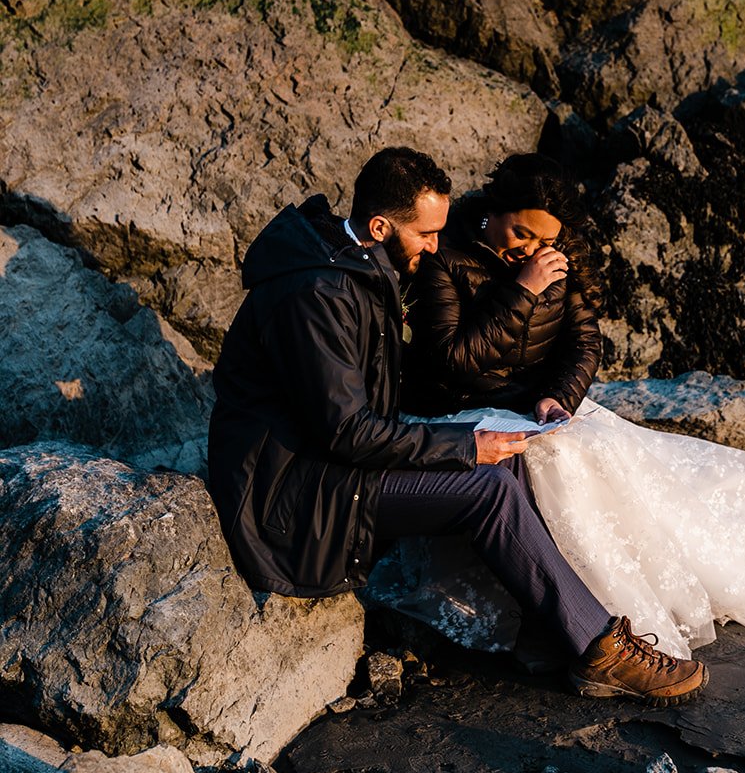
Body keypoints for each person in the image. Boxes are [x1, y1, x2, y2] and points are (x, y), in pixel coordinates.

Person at [207, 146, 708, 704]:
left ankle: (552, 630)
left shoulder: (354, 265)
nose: (435, 246)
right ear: (380, 226)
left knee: (508, 457)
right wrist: (464, 444)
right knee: (486, 485)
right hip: (296, 494)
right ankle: (600, 652)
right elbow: (347, 432)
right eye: (426, 234)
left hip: (329, 465)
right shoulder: (317, 294)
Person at [395, 153, 745, 660]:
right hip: (463, 410)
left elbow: (585, 343)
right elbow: (454, 360)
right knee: (559, 465)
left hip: (537, 408)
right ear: (495, 212)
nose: (533, 250)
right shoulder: (445, 255)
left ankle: (604, 608)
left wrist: (559, 397)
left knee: (624, 464)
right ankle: (561, 617)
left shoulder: (557, 256)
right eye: (522, 234)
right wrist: (523, 291)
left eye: (546, 241)